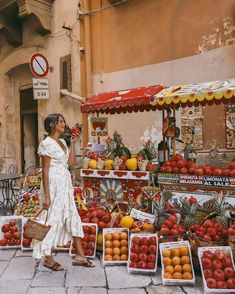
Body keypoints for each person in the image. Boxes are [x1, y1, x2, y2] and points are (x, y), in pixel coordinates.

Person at [32, 113, 94, 270]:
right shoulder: (46, 143)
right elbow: (45, 171)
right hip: (52, 184)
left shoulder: (62, 142)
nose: (63, 124)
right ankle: (48, 259)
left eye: (63, 121)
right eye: (60, 121)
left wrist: (72, 143)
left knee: (72, 215)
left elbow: (71, 163)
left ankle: (80, 254)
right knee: (50, 218)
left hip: (65, 184)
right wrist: (47, 196)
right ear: (52, 124)